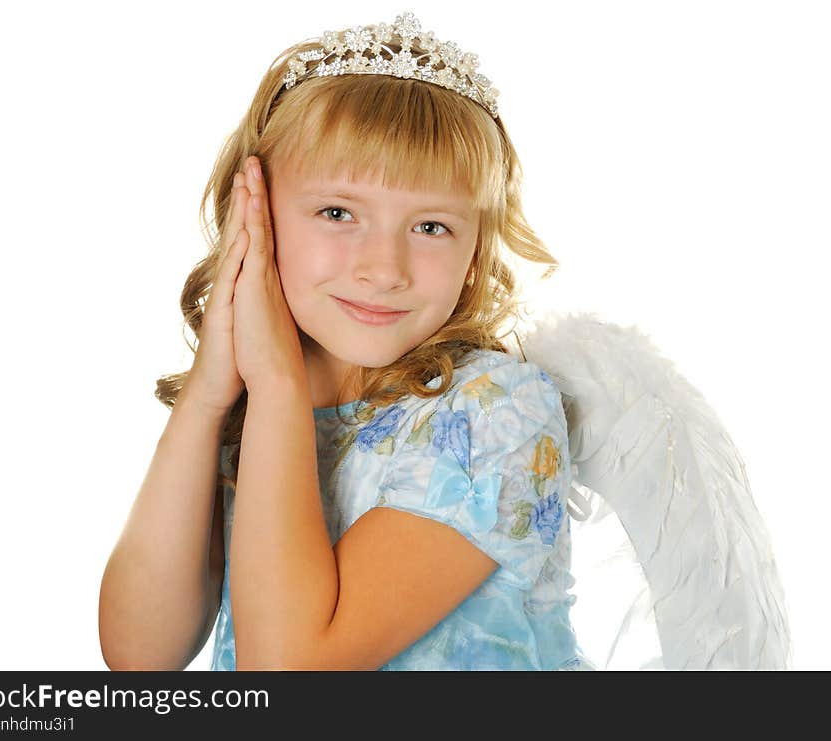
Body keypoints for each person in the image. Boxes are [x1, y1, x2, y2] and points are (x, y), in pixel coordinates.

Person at [98, 10, 789, 671]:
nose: (384, 267)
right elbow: (138, 651)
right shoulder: (255, 405)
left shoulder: (492, 413)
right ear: (258, 215)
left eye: (431, 227)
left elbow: (288, 668)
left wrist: (275, 382)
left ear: (476, 247)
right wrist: (210, 395)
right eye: (338, 212)